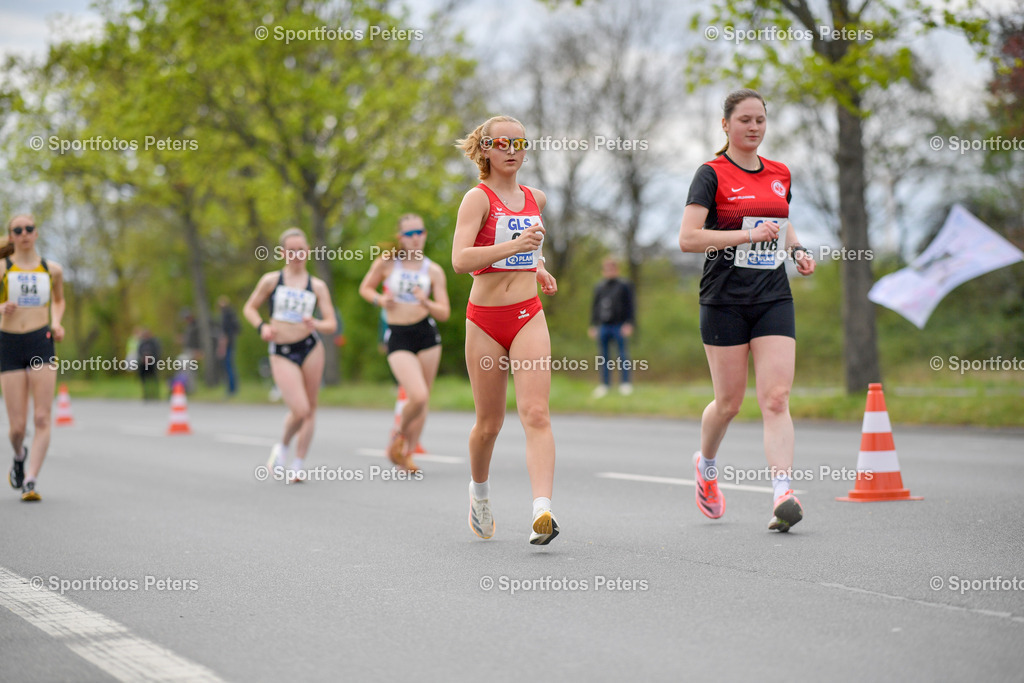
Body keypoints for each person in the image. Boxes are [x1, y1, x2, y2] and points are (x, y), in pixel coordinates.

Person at [678, 89, 816, 532]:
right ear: (726, 125)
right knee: (729, 402)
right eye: (744, 120)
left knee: (776, 398)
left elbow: (780, 218)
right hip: (724, 299)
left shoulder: (780, 173)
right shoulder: (711, 173)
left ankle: (782, 494)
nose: (754, 128)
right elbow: (689, 238)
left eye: (760, 120)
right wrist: (745, 236)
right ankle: (708, 465)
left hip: (773, 295)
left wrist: (796, 250)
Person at [453, 115, 560, 545]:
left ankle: (542, 511)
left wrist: (539, 268)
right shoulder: (476, 199)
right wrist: (516, 248)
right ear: (485, 150)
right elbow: (461, 260)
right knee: (489, 423)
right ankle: (479, 494)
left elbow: (530, 247)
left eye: (519, 142)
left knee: (535, 413)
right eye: (502, 143)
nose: (512, 150)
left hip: (527, 315)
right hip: (485, 320)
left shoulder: (537, 197)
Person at [243, 228, 337, 482]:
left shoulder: (317, 286)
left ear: (308, 251)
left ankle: (298, 464)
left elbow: (331, 323)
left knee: (311, 408)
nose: (297, 255)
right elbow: (250, 308)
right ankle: (282, 446)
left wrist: (315, 323)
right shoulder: (271, 281)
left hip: (310, 347)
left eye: (301, 250)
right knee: (300, 408)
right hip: (282, 350)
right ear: (283, 253)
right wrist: (262, 327)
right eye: (291, 250)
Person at [359, 214, 450, 472]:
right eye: (409, 234)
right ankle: (398, 434)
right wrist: (379, 300)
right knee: (417, 396)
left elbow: (444, 312)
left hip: (427, 335)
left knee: (424, 400)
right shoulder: (387, 263)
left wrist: (426, 302)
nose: (415, 238)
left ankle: (406, 454)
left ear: (425, 235)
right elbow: (365, 288)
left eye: (420, 232)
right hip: (398, 335)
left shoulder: (433, 270)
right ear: (401, 238)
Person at [1, 214, 66, 502]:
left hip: (41, 340)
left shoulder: (51, 269)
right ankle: (19, 454)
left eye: (29, 228)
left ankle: (30, 480)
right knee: (17, 428)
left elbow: (59, 300)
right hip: (10, 343)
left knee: (42, 416)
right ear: (11, 235)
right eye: (18, 230)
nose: (24, 233)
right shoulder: (3, 268)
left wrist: (58, 322)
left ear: (36, 233)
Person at [588, 257, 635, 397]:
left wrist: (629, 323)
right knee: (604, 356)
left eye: (612, 268)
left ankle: (625, 384)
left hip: (619, 325)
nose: (609, 271)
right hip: (603, 325)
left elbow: (631, 306)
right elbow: (594, 306)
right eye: (607, 269)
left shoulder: (624, 285)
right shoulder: (599, 286)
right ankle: (605, 384)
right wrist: (592, 324)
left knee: (622, 355)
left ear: (616, 269)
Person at [217, 296, 240, 396]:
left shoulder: (225, 316)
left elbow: (224, 333)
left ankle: (231, 389)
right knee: (230, 366)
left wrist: (222, 347)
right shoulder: (232, 315)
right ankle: (233, 388)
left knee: (228, 367)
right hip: (231, 343)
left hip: (227, 344)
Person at [137, 328, 161, 401]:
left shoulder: (154, 342)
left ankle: (155, 394)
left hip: (152, 363)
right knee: (143, 378)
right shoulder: (142, 343)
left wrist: (151, 359)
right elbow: (139, 352)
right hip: (143, 364)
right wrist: (143, 359)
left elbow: (157, 353)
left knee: (153, 379)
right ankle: (145, 394)